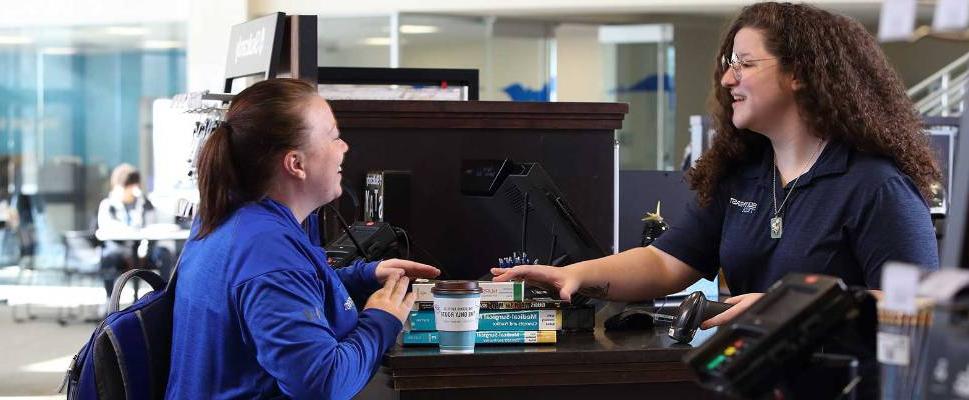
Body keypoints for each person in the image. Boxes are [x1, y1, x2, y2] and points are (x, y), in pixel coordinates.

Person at [494, 2, 939, 332]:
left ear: (799, 74)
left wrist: (794, 307)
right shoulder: (745, 174)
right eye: (729, 66)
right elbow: (664, 263)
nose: (728, 79)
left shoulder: (875, 186)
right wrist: (578, 274)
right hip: (753, 377)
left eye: (745, 64)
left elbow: (919, 309)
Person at [166, 78, 440, 399]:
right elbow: (324, 382)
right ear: (296, 164)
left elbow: (286, 291)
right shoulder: (267, 251)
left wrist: (363, 276)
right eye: (334, 137)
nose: (344, 147)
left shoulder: (236, 218)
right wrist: (382, 319)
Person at [97, 163, 173, 295]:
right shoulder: (108, 205)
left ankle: (164, 295)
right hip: (120, 252)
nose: (131, 190)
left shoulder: (144, 203)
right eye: (127, 186)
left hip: (144, 251)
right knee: (108, 257)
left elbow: (151, 228)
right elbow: (107, 229)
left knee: (164, 254)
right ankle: (109, 298)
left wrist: (144, 249)